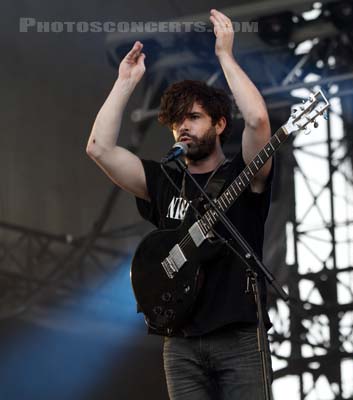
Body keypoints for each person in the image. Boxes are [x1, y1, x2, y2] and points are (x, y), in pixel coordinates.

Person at [86, 9, 273, 400]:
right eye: (176, 121)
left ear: (220, 124)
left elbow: (257, 121)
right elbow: (99, 148)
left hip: (238, 339)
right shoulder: (164, 178)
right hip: (181, 342)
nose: (183, 127)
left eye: (194, 117)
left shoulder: (245, 172)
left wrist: (225, 56)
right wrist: (124, 83)